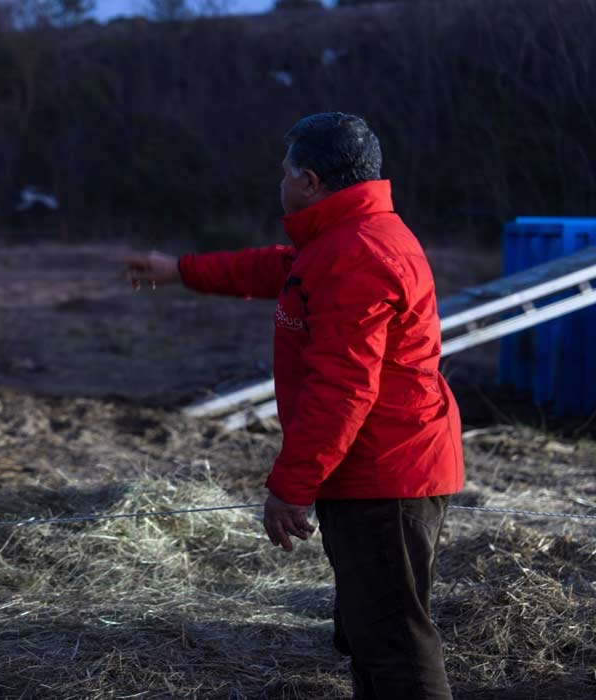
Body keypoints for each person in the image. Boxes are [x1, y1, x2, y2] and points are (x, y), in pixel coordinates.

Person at [124, 112, 463, 699]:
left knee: (395, 643)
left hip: (386, 475)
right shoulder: (341, 238)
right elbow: (270, 267)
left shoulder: (357, 253)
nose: (277, 183)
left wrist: (291, 487)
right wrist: (178, 270)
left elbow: (343, 388)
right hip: (373, 471)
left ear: (309, 180)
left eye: (284, 173)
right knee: (370, 633)